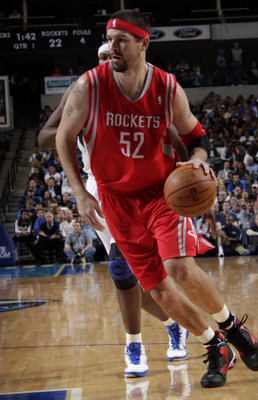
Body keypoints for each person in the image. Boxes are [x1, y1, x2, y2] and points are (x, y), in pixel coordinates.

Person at [55, 10, 258, 388]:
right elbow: (61, 137)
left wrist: (198, 162)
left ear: (143, 43)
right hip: (115, 200)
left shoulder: (167, 88)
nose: (112, 46)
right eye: (109, 38)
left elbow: (197, 138)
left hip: (161, 194)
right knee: (156, 289)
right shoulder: (89, 86)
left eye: (122, 39)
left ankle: (233, 327)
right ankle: (215, 345)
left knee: (179, 269)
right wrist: (78, 192)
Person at [38, 42, 192, 378]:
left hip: (148, 188)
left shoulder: (146, 93)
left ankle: (175, 324)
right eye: (103, 58)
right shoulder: (84, 92)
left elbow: (176, 136)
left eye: (114, 56)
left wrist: (192, 171)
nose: (109, 62)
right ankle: (137, 342)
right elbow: (45, 136)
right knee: (124, 274)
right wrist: (75, 124)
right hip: (102, 189)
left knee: (148, 276)